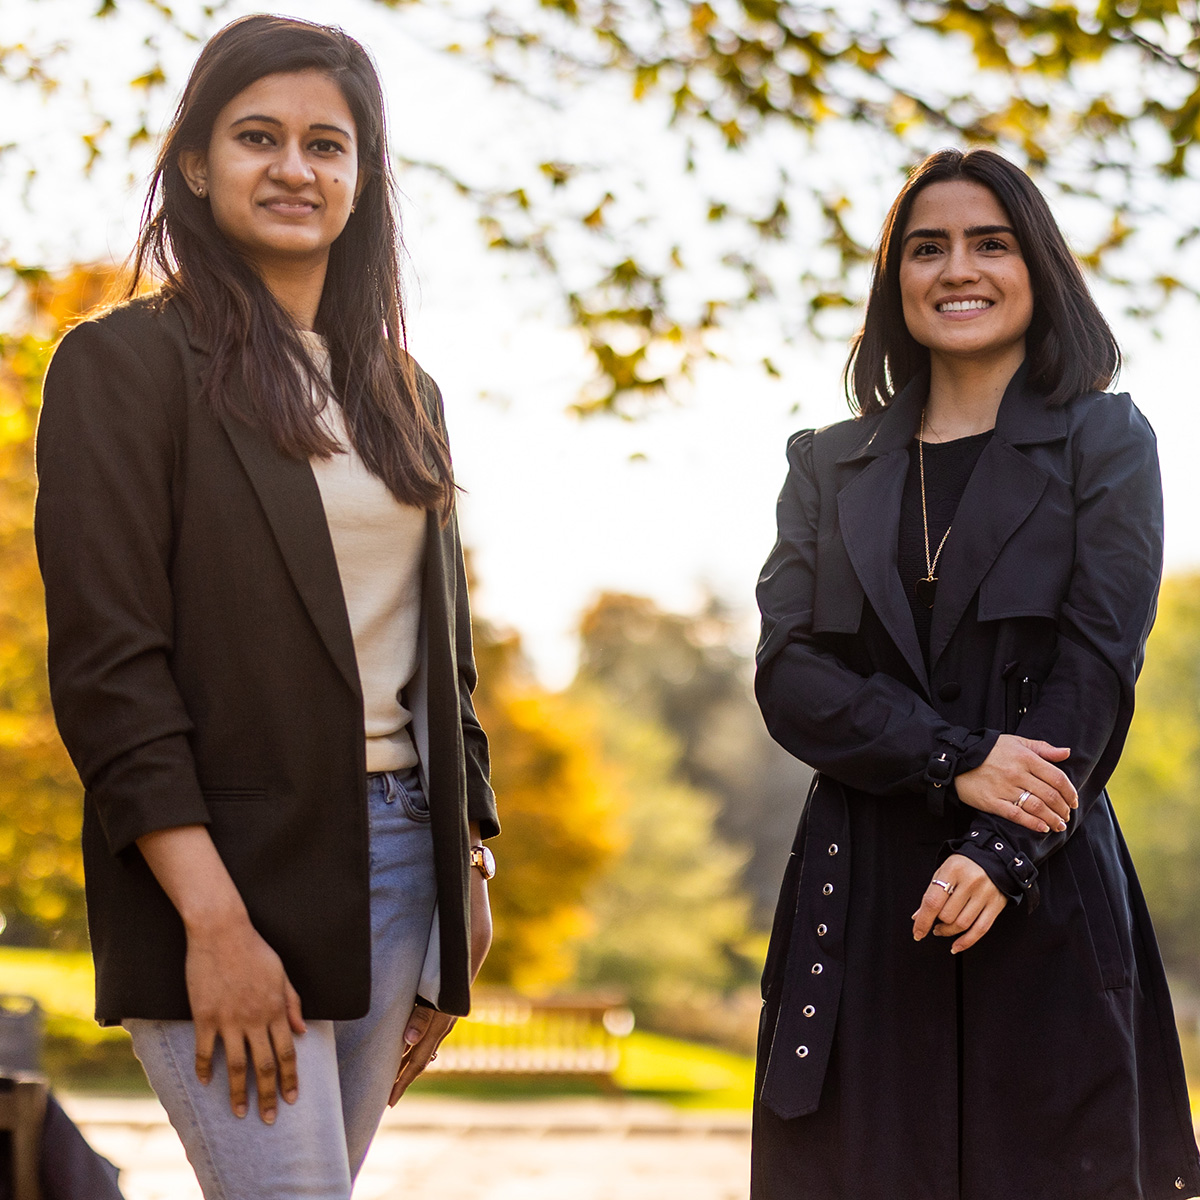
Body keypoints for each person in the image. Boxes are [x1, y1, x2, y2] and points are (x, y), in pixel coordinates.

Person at [34, 15, 498, 1198]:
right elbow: (110, 668)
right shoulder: (121, 368)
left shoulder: (408, 393)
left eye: (327, 145)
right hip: (219, 870)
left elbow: (442, 656)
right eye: (258, 137)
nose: (296, 168)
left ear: (361, 177)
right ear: (196, 162)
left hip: (400, 865)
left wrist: (470, 867)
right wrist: (214, 925)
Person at [752, 147, 1200, 1199]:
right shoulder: (827, 464)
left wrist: (1000, 850)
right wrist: (953, 759)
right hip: (861, 905)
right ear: (895, 280)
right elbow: (790, 677)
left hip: (1043, 893)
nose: (959, 268)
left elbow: (1098, 666)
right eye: (928, 248)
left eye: (990, 244)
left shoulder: (1107, 442)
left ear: (1036, 267)